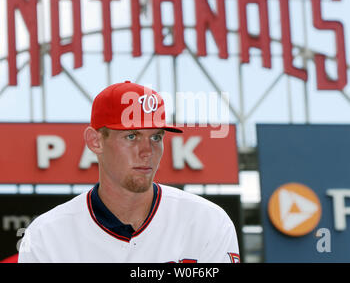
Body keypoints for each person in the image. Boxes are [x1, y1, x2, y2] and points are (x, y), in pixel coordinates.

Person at [18, 81, 240, 263]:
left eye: (156, 137)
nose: (147, 151)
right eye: (131, 136)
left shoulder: (208, 222)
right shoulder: (45, 235)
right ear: (95, 141)